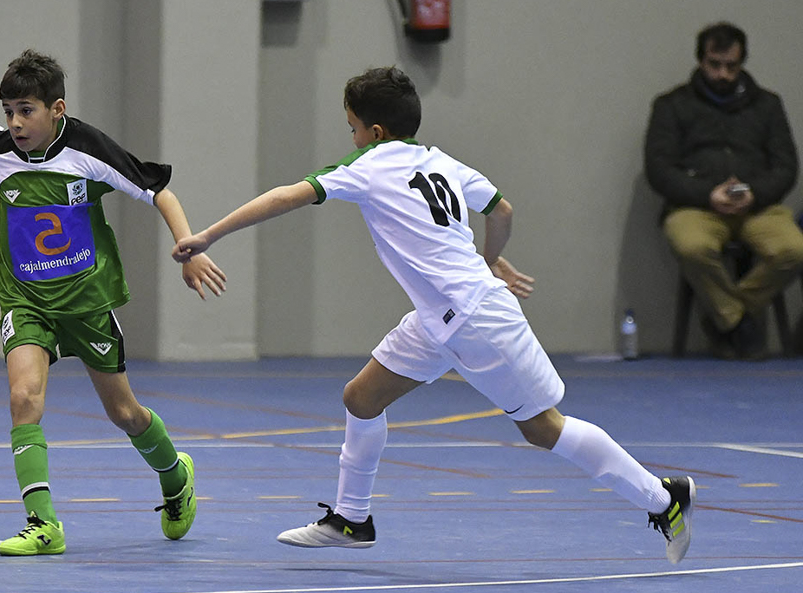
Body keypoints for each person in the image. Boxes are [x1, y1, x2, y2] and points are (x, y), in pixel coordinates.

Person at [173, 66, 696, 563]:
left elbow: (289, 195)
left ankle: (663, 497)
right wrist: (487, 260)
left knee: (543, 428)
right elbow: (502, 210)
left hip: (474, 319)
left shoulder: (368, 165)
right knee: (361, 397)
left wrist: (208, 235)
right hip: (437, 317)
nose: (350, 138)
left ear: (375, 131)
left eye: (353, 128)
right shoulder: (440, 160)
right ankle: (352, 520)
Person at [0, 49, 226, 555]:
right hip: (25, 298)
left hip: (85, 302)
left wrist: (190, 249)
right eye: (8, 111)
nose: (15, 123)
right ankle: (43, 525)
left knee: (125, 413)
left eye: (26, 110)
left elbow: (160, 192)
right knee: (24, 400)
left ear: (57, 109)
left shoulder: (88, 149)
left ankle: (176, 476)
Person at [645, 21, 803, 359]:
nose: (723, 74)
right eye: (715, 65)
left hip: (757, 206)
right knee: (691, 247)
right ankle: (741, 323)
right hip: (695, 207)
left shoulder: (768, 105)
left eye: (731, 66)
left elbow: (786, 167)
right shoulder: (671, 105)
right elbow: (659, 170)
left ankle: (725, 319)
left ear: (742, 63)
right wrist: (707, 194)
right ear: (701, 62)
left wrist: (754, 193)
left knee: (793, 249)